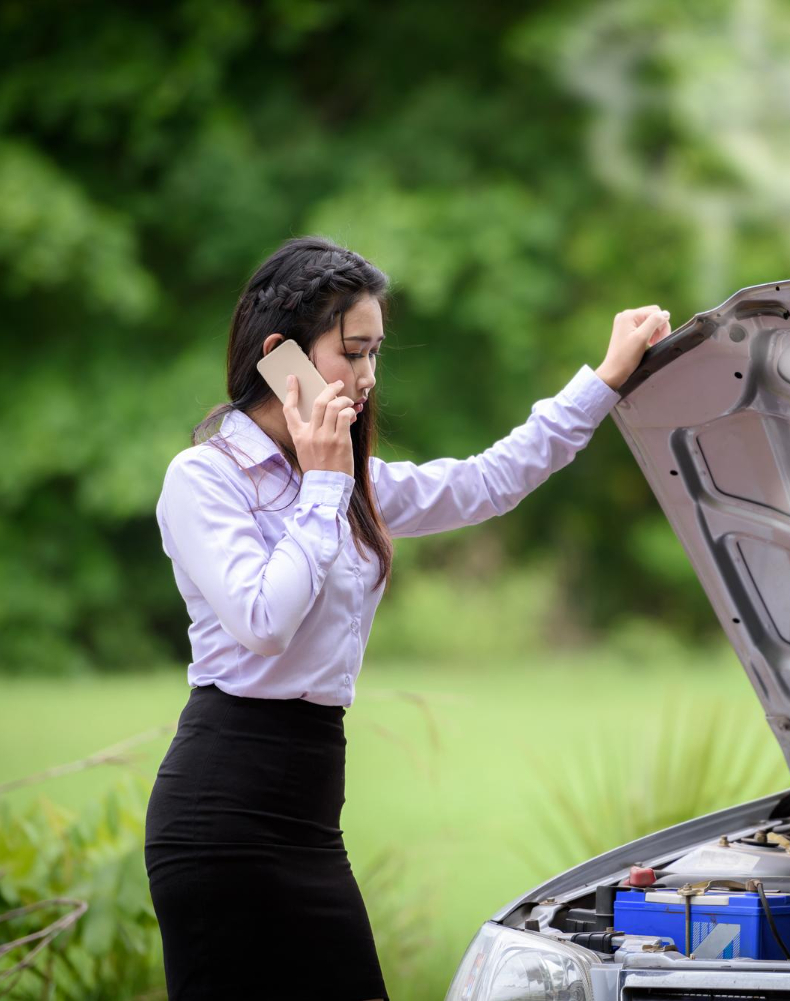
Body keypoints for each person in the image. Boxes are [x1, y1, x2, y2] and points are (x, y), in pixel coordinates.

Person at [143, 235, 670, 1000]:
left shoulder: (354, 483)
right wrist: (325, 486)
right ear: (281, 356)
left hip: (310, 809)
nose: (367, 377)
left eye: (375, 353)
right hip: (220, 810)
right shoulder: (205, 478)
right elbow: (264, 619)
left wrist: (606, 378)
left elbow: (490, 481)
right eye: (351, 352)